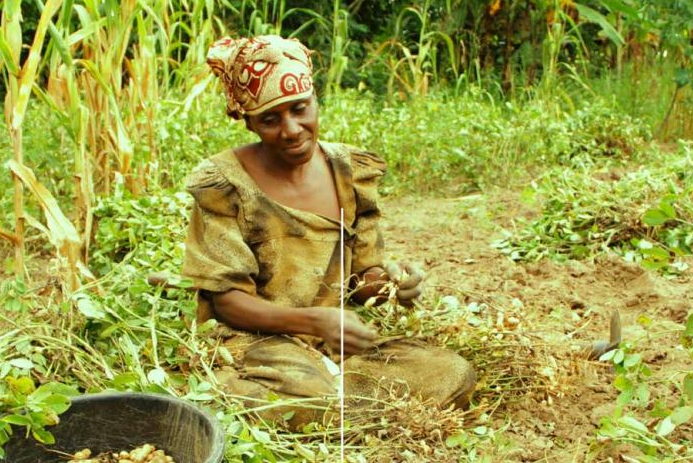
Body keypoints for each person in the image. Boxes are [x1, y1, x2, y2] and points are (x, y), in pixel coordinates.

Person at [182, 35, 475, 429]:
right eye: (270, 119)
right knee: (301, 400)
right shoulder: (225, 185)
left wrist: (390, 284)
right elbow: (227, 303)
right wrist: (314, 322)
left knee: (451, 371)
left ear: (315, 100)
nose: (291, 129)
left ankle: (337, 402)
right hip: (259, 341)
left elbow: (363, 277)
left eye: (300, 109)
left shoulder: (349, 171)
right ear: (248, 121)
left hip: (334, 343)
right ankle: (342, 406)